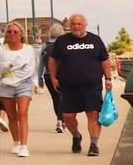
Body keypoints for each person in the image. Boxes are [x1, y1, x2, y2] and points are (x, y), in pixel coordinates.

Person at [47, 14, 111, 157]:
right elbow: (52, 61)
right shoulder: (62, 41)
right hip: (69, 86)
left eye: (79, 24)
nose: (76, 27)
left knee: (93, 114)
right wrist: (53, 78)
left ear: (85, 25)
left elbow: (105, 61)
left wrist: (108, 79)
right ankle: (76, 135)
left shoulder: (95, 40)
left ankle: (94, 144)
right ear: (69, 25)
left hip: (92, 86)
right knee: (67, 116)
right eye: (73, 24)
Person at [0, 21, 37, 158]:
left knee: (22, 114)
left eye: (15, 32)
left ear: (21, 35)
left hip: (23, 84)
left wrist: (13, 73)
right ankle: (15, 143)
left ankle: (24, 146)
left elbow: (29, 69)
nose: (12, 34)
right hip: (5, 85)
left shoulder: (28, 49)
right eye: (9, 32)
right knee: (11, 116)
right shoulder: (1, 49)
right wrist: (8, 66)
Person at [38, 21, 66, 133]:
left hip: (48, 75)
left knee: (56, 99)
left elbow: (40, 63)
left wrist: (40, 78)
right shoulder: (64, 44)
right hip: (63, 75)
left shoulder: (45, 45)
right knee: (64, 98)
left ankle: (60, 121)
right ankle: (62, 121)